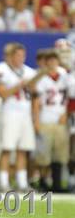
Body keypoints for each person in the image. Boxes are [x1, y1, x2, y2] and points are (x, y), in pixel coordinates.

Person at [0, 43, 44, 191]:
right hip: (9, 112)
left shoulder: (29, 71)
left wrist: (35, 118)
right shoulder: (1, 69)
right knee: (7, 149)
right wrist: (20, 85)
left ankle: (22, 183)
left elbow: (35, 97)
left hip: (25, 113)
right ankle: (3, 182)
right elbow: (3, 94)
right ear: (9, 56)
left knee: (23, 149)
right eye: (17, 55)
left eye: (22, 55)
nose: (21, 58)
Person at [33, 50, 69, 191]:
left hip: (60, 119)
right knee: (44, 155)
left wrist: (66, 113)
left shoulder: (65, 76)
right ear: (46, 62)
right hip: (45, 119)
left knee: (59, 154)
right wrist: (36, 120)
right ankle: (42, 181)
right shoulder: (41, 77)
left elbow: (69, 97)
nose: (53, 63)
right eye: (50, 61)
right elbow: (36, 101)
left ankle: (57, 184)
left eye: (55, 60)